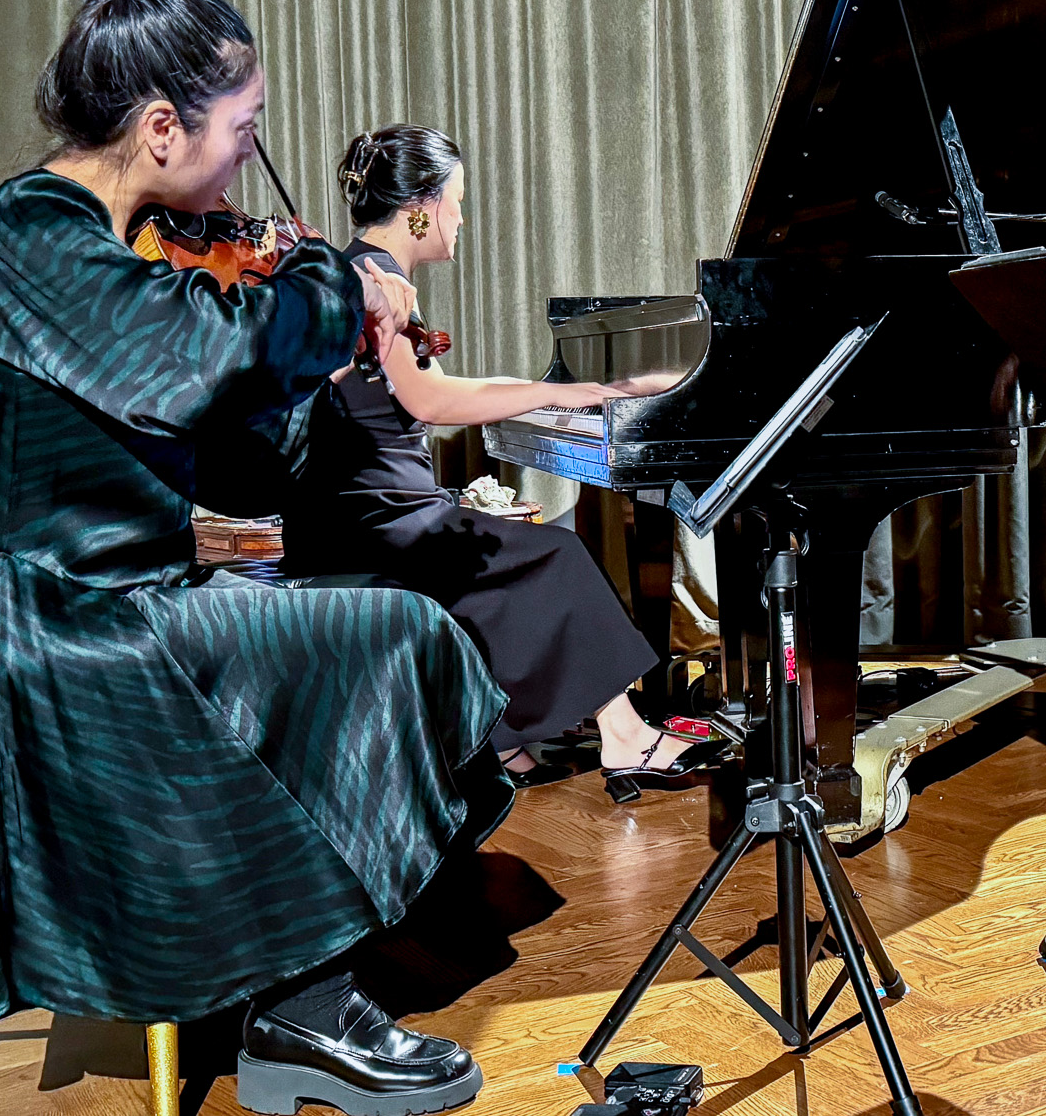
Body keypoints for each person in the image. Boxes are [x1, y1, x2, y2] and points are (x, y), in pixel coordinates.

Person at [0, 0, 509, 1116]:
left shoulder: (142, 261)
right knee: (336, 643)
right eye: (245, 127)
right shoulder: (21, 234)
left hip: (127, 597)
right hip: (28, 618)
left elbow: (226, 453)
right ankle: (303, 1006)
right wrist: (333, 286)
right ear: (164, 127)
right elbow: (181, 365)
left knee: (394, 632)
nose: (248, 160)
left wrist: (303, 379)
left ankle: (285, 988)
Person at [279, 124, 723, 802]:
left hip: (353, 510)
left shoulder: (355, 267)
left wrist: (552, 394)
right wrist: (568, 392)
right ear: (420, 207)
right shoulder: (377, 279)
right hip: (378, 520)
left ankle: (505, 740)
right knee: (556, 556)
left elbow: (422, 392)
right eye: (457, 200)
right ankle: (624, 736)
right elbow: (428, 398)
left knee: (514, 548)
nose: (461, 217)